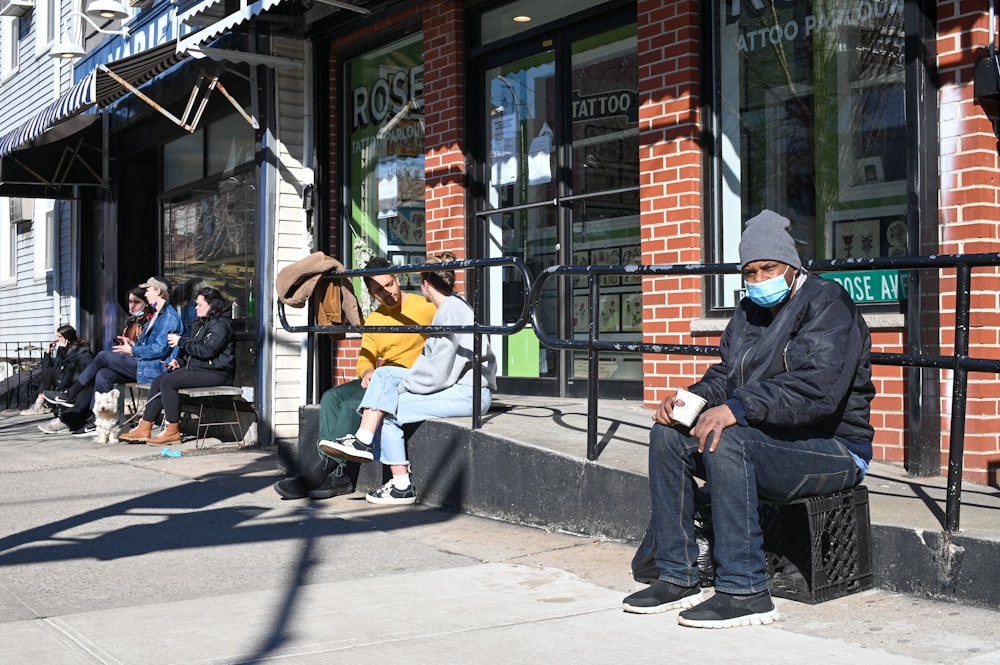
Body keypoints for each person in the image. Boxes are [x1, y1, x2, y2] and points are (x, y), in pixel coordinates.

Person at [621, 209, 875, 628]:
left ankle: (745, 591)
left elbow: (818, 390)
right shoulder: (748, 313)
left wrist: (738, 409)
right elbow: (724, 376)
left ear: (792, 266)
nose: (758, 280)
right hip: (771, 441)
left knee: (728, 436)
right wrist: (687, 403)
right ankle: (676, 575)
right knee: (669, 435)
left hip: (834, 449)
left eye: (768, 268)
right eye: (750, 272)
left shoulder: (828, 304)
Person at [319, 251, 497, 506]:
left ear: (425, 284)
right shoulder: (451, 307)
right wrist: (387, 385)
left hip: (468, 393)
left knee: (389, 410)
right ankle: (366, 444)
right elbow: (435, 367)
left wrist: (399, 389)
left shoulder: (448, 311)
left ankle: (398, 482)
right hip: (460, 388)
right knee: (383, 376)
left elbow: (437, 375)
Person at [273, 256, 437, 500]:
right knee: (331, 397)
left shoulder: (425, 307)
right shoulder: (375, 319)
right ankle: (335, 474)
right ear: (371, 293)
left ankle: (326, 472)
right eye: (379, 290)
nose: (387, 292)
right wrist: (367, 372)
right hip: (384, 378)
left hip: (412, 379)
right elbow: (365, 359)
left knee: (352, 405)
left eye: (389, 284)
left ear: (397, 278)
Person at [41, 277, 183, 433]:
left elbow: (159, 350)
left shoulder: (168, 317)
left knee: (103, 356)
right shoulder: (157, 315)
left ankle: (70, 394)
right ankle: (100, 421)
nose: (146, 293)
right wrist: (133, 344)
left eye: (148, 290)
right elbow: (153, 346)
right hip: (145, 364)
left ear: (158, 291)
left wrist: (132, 351)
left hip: (156, 368)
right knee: (103, 374)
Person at [120, 286, 234, 445]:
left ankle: (172, 430)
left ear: (212, 305)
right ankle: (145, 427)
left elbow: (207, 351)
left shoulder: (220, 325)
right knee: (159, 380)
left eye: (200, 305)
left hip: (217, 372)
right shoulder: (201, 323)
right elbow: (193, 351)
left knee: (168, 383)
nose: (196, 308)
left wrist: (181, 341)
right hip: (201, 368)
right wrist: (179, 361)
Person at [21, 325, 93, 417]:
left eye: (60, 336)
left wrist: (61, 351)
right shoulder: (64, 348)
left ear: (67, 337)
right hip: (64, 377)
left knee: (49, 372)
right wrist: (48, 352)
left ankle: (39, 405)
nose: (57, 339)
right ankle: (39, 404)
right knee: (48, 372)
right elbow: (48, 369)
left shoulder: (79, 350)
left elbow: (63, 367)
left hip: (73, 380)